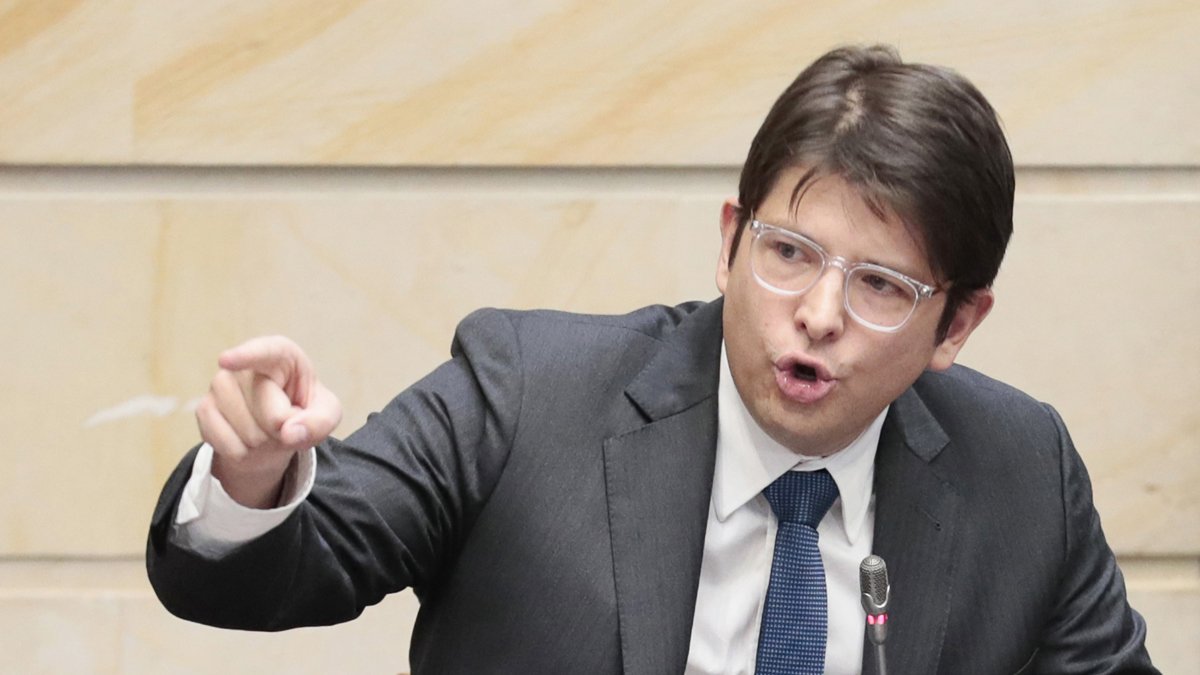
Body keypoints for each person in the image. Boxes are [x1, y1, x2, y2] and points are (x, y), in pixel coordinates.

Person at [147, 45, 1157, 674]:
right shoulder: (525, 396)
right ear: (728, 241)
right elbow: (266, 579)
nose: (816, 315)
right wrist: (254, 477)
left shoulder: (1022, 474)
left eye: (882, 287)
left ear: (959, 327)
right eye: (788, 254)